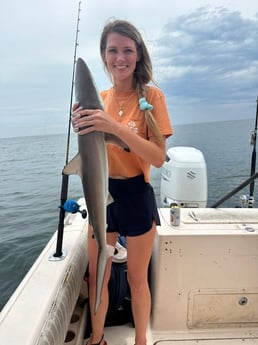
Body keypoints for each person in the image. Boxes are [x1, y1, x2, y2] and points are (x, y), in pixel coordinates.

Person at [72, 19, 173, 345]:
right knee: (96, 278)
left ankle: (141, 341)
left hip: (136, 195)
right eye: (113, 50)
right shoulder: (98, 99)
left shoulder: (153, 98)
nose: (120, 57)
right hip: (102, 193)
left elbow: (157, 157)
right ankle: (97, 338)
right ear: (104, 55)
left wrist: (113, 128)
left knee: (136, 279)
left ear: (138, 55)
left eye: (127, 50)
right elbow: (92, 150)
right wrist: (84, 126)